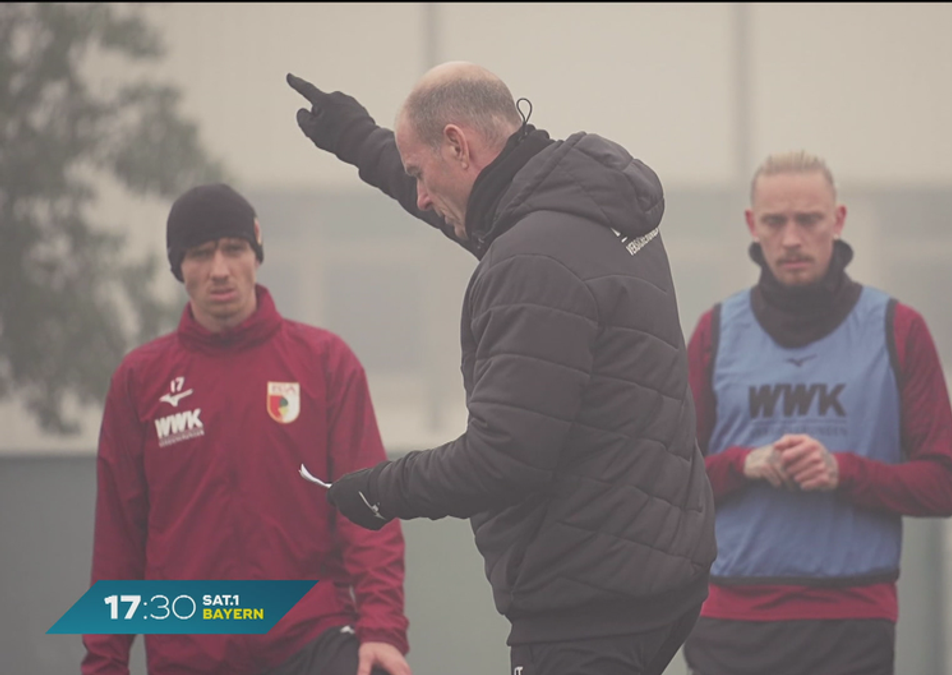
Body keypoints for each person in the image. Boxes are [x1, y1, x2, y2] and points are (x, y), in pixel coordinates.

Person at [286, 61, 716, 675]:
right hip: (659, 575)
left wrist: (377, 492)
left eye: (419, 174)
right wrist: (357, 139)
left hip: (586, 606)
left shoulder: (531, 258)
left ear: (458, 145)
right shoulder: (587, 204)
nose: (421, 197)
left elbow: (503, 460)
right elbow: (473, 216)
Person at [84, 183, 411, 675]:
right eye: (200, 254)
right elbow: (118, 541)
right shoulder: (139, 381)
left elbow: (369, 510)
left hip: (310, 638)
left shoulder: (324, 362)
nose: (219, 269)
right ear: (178, 268)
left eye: (233, 249)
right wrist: (104, 663)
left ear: (256, 251)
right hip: (188, 653)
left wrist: (382, 629)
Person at [680, 152, 952, 675]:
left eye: (808, 219)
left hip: (852, 620)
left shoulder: (898, 330)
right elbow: (670, 486)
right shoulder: (715, 333)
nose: (792, 238)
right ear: (752, 225)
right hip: (731, 622)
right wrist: (744, 464)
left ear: (837, 220)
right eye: (775, 221)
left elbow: (944, 485)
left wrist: (843, 472)